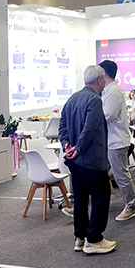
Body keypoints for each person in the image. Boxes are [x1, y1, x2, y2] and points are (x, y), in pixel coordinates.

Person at [58, 65, 116, 254]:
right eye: (103, 80)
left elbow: (62, 125)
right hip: (91, 159)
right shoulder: (94, 100)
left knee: (81, 199)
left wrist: (67, 144)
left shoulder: (73, 98)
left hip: (75, 161)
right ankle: (94, 239)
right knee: (101, 197)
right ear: (99, 80)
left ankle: (80, 238)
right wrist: (78, 148)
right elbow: (89, 129)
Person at [99, 60, 135, 222]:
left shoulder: (113, 91)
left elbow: (108, 115)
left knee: (121, 175)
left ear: (104, 73)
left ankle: (131, 206)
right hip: (110, 140)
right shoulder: (108, 90)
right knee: (103, 174)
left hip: (116, 141)